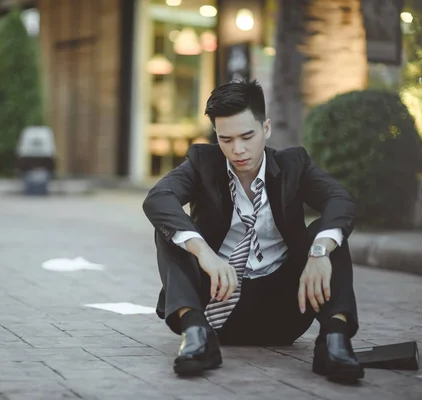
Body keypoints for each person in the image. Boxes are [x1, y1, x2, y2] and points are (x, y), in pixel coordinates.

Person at [142, 80, 363, 383]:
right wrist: (204, 253)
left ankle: (335, 341)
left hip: (286, 310)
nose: (238, 149)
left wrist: (319, 251)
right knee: (173, 232)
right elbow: (158, 199)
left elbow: (339, 199)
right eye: (226, 139)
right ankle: (196, 337)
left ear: (266, 128)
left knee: (327, 234)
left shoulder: (293, 164)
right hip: (217, 306)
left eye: (248, 136)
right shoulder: (201, 164)